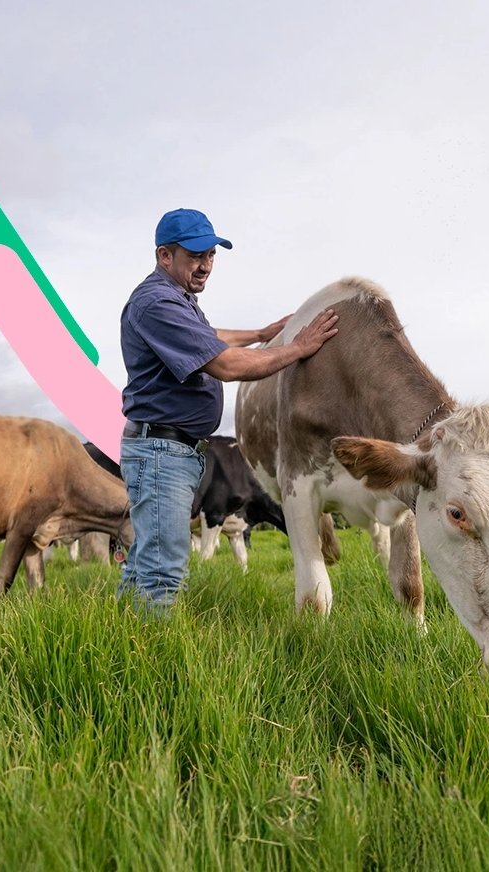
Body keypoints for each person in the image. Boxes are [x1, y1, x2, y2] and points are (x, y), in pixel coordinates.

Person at [117, 208, 338, 609]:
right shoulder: (156, 303)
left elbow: (211, 336)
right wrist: (298, 348)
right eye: (195, 255)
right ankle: (152, 660)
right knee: (164, 571)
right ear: (164, 256)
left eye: (211, 255)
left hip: (170, 450)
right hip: (162, 452)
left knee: (145, 563)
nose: (205, 266)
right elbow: (224, 363)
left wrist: (261, 333)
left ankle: (126, 645)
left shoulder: (177, 297)